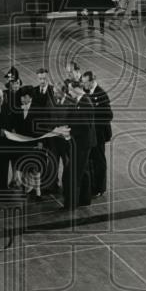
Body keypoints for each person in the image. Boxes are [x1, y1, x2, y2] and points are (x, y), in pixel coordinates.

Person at [60, 79, 97, 210]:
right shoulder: (80, 101)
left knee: (72, 175)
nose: (69, 92)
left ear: (76, 89)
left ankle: (71, 204)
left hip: (82, 145)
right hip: (81, 144)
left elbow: (85, 127)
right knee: (83, 172)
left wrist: (69, 131)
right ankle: (84, 200)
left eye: (70, 90)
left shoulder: (85, 103)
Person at [82, 71, 112, 198]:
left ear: (91, 81)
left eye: (85, 82)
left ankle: (100, 188)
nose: (83, 85)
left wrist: (95, 122)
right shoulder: (88, 91)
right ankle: (92, 186)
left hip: (99, 134)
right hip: (91, 134)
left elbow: (109, 115)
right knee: (92, 160)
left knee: (99, 161)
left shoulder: (101, 94)